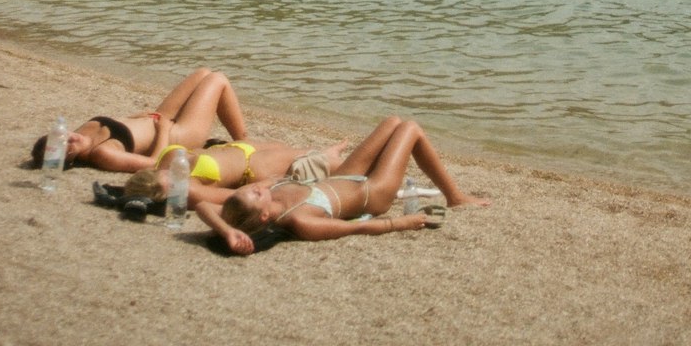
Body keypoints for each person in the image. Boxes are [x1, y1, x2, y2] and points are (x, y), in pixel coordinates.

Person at [198, 116, 489, 255]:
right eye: (254, 194)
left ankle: (454, 194)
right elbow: (356, 227)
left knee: (392, 122)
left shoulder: (269, 193)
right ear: (263, 216)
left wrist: (228, 229)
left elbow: (202, 204)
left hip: (341, 178)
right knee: (410, 128)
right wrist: (407, 222)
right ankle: (455, 196)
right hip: (371, 193)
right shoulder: (301, 220)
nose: (256, 187)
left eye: (251, 189)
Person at [31, 68, 250, 175]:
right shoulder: (102, 154)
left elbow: (117, 128)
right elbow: (156, 163)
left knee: (202, 73)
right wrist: (164, 131)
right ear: (68, 158)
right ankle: (245, 143)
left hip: (157, 118)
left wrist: (135, 117)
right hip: (177, 134)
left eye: (61, 136)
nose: (69, 137)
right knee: (217, 79)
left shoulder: (81, 133)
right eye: (66, 145)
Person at [118, 136, 350, 211]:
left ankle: (328, 156)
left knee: (308, 153)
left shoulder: (164, 163)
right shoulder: (188, 191)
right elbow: (232, 198)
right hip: (255, 168)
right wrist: (269, 184)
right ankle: (331, 159)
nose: (173, 177)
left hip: (242, 149)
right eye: (170, 185)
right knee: (333, 164)